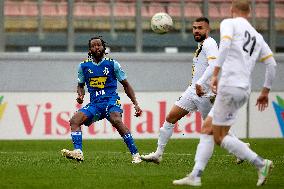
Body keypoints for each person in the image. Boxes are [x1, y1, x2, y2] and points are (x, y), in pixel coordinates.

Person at [173, 0, 276, 186]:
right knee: (208, 130)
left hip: (229, 86)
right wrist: (265, 91)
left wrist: (215, 74)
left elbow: (226, 45)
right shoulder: (257, 36)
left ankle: (261, 163)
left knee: (219, 136)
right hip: (244, 89)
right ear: (250, 12)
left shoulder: (229, 23)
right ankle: (195, 175)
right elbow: (272, 64)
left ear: (231, 10)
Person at [141, 17, 224, 163]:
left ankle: (241, 150)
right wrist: (196, 83)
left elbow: (214, 65)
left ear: (208, 30)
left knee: (215, 128)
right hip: (193, 90)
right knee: (171, 117)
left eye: (200, 28)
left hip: (205, 93)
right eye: (194, 28)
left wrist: (200, 82)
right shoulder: (202, 44)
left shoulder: (210, 43)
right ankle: (158, 154)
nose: (196, 31)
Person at [61, 36, 143, 163]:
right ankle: (78, 152)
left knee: (116, 120)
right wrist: (80, 95)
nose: (96, 47)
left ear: (104, 47)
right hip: (95, 104)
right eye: (93, 45)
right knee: (74, 121)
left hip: (111, 100)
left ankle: (135, 154)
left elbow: (126, 84)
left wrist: (135, 104)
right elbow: (80, 85)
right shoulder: (83, 66)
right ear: (90, 50)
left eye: (99, 45)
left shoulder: (112, 64)